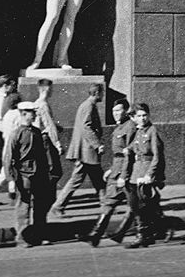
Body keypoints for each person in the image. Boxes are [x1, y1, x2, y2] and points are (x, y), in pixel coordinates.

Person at [82, 99, 135, 246]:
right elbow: (118, 154)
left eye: (119, 110)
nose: (115, 113)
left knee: (134, 205)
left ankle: (120, 233)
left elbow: (129, 153)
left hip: (128, 171)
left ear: (126, 111)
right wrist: (112, 169)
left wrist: (124, 175)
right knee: (109, 201)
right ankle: (96, 235)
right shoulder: (118, 128)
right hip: (117, 169)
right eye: (114, 111)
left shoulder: (130, 127)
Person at [4, 101, 53, 247]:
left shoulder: (36, 132)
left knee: (40, 205)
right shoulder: (16, 134)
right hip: (24, 175)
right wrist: (10, 179)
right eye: (32, 112)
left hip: (39, 174)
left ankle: (39, 235)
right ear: (24, 114)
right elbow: (8, 157)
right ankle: (22, 238)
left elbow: (42, 155)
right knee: (23, 206)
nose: (35, 115)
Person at [52, 83, 105, 216]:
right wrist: (97, 144)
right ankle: (58, 206)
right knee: (77, 180)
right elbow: (86, 127)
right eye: (102, 93)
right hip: (86, 151)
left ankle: (106, 205)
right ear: (97, 93)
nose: (103, 95)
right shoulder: (88, 106)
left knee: (98, 179)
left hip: (85, 150)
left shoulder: (87, 105)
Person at [122, 103, 165, 248]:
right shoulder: (139, 131)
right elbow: (136, 145)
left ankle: (142, 235)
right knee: (136, 204)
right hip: (136, 171)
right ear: (134, 118)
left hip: (146, 171)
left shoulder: (152, 131)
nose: (142, 118)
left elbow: (157, 156)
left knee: (141, 205)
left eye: (145, 115)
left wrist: (149, 175)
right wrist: (128, 149)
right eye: (139, 116)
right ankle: (155, 231)